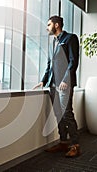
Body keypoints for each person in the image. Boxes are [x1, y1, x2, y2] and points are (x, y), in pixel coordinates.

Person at [33, 15, 80, 157]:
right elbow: (49, 65)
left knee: (67, 114)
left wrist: (66, 80)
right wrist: (43, 80)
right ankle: (63, 142)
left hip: (64, 84)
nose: (47, 27)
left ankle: (76, 145)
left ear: (57, 25)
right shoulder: (53, 42)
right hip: (53, 85)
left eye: (49, 25)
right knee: (58, 115)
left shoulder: (70, 38)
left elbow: (73, 61)